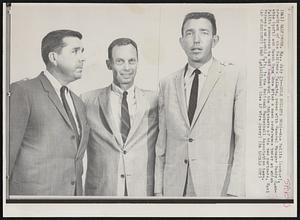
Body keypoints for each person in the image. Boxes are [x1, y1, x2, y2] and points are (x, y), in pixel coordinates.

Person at [155, 12, 246, 197]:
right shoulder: (167, 83)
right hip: (174, 189)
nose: (196, 40)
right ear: (181, 41)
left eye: (203, 32)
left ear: (215, 39)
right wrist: (158, 191)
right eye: (189, 33)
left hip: (217, 187)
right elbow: (161, 145)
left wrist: (234, 191)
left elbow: (242, 139)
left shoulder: (234, 77)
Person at [9, 29, 90, 196]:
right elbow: (6, 157)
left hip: (72, 204)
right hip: (32, 205)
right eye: (75, 51)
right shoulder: (23, 91)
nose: (82, 58)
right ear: (53, 57)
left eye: (82, 51)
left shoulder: (78, 102)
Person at [82, 38, 158, 196]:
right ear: (109, 64)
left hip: (143, 193)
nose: (127, 68)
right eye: (120, 61)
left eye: (132, 61)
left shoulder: (155, 101)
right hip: (102, 193)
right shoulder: (87, 100)